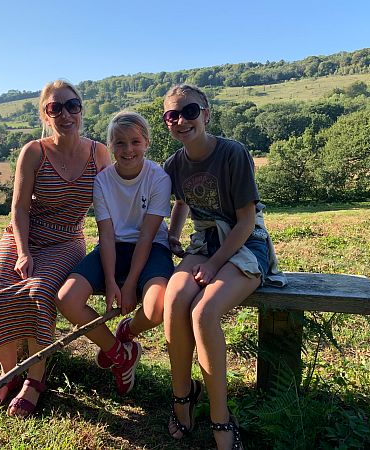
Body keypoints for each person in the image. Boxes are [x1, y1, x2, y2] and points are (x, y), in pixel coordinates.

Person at [0, 80, 111, 417]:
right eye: (55, 107)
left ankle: (35, 381)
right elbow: (19, 208)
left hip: (67, 240)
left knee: (39, 292)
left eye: (72, 105)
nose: (65, 113)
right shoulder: (34, 151)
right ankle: (7, 374)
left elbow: (115, 203)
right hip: (24, 235)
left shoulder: (99, 153)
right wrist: (23, 252)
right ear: (45, 115)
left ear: (81, 110)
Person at [162, 84, 285, 449]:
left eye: (190, 111)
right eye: (173, 115)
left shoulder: (233, 153)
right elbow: (181, 201)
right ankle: (183, 397)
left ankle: (220, 414)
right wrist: (173, 235)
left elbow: (247, 221)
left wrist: (215, 264)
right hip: (205, 241)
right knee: (174, 301)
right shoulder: (174, 164)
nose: (182, 120)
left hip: (246, 243)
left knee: (204, 313)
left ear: (207, 113)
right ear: (167, 122)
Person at [56, 111, 174, 395]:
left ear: (146, 142)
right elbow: (106, 235)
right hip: (112, 248)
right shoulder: (103, 181)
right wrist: (111, 282)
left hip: (152, 247)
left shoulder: (158, 177)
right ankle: (120, 354)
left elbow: (147, 235)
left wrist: (130, 284)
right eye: (119, 143)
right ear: (110, 146)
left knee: (157, 307)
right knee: (66, 299)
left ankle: (128, 332)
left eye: (135, 141)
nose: (128, 149)